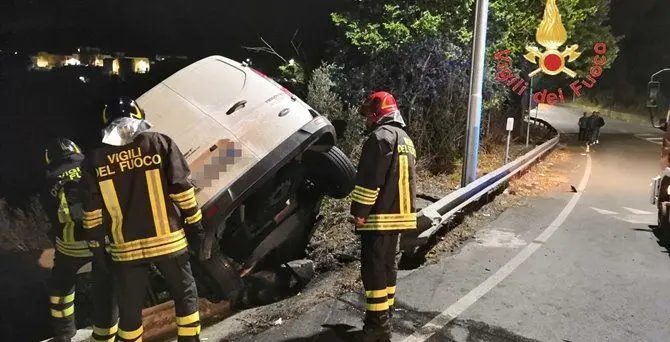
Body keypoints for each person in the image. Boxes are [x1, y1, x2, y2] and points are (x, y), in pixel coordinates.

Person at [80, 97, 209, 342]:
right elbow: (181, 189)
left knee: (130, 314)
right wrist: (195, 223)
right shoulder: (159, 143)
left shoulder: (95, 159)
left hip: (125, 251)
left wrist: (97, 247)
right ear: (139, 115)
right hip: (168, 242)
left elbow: (92, 211)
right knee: (185, 296)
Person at [349, 91, 417, 342]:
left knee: (374, 269)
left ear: (378, 112)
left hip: (380, 218)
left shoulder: (380, 138)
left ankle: (378, 327)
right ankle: (386, 315)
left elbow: (369, 182)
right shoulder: (405, 139)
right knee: (388, 267)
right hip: (400, 217)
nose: (367, 120)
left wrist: (359, 213)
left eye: (369, 114)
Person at [41, 138, 118, 342]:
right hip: (104, 242)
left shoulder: (49, 179)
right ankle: (105, 335)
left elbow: (51, 217)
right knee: (106, 286)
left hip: (71, 246)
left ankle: (65, 333)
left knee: (60, 284)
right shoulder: (91, 165)